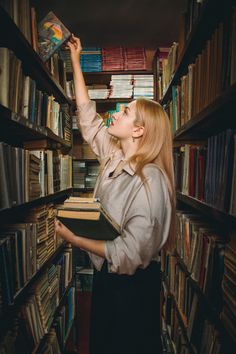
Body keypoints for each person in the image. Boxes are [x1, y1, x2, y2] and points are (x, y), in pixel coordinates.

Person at [55, 35, 175, 354]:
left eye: (127, 111)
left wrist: (75, 239)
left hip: (131, 290)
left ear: (139, 131)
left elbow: (127, 255)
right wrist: (77, 62)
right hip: (107, 280)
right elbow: (87, 117)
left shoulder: (151, 181)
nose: (118, 112)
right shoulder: (114, 156)